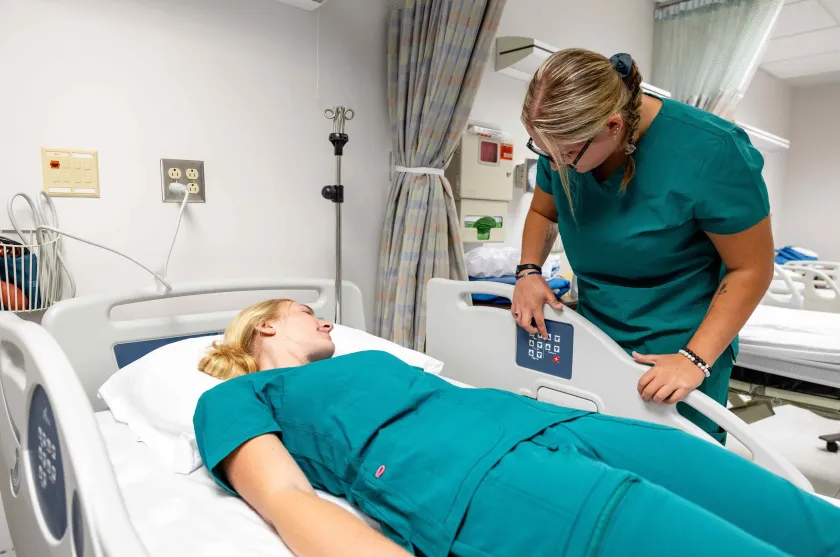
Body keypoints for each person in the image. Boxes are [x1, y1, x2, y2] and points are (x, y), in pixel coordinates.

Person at [192, 299, 839, 557]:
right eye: (306, 312)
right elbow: (287, 498)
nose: (326, 320)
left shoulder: (366, 355)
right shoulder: (238, 395)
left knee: (807, 520)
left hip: (559, 422)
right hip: (487, 478)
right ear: (264, 327)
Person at [514, 48, 775, 443]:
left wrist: (694, 361)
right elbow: (542, 212)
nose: (555, 165)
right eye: (543, 151)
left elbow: (751, 268)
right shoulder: (564, 151)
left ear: (613, 126)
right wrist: (528, 270)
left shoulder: (712, 151)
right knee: (600, 457)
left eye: (564, 154)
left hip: (681, 345)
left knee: (676, 472)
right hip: (595, 336)